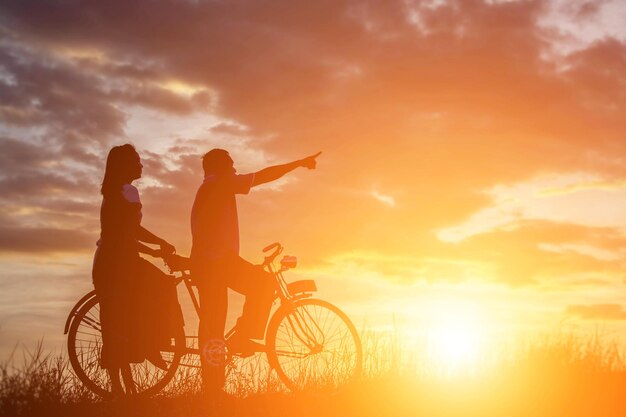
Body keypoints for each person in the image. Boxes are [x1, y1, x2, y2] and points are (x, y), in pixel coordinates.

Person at [190, 148, 321, 394]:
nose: (235, 170)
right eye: (231, 166)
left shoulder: (207, 188)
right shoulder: (219, 184)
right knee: (261, 285)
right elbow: (263, 176)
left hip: (211, 263)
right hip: (217, 264)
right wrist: (298, 162)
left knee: (213, 324)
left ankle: (213, 386)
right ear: (220, 168)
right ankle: (242, 338)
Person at [92, 144, 181, 394]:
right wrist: (160, 244)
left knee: (115, 323)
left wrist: (155, 249)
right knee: (164, 286)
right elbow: (131, 231)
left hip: (106, 263)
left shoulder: (111, 193)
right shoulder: (129, 191)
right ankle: (154, 342)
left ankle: (121, 388)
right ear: (126, 166)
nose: (141, 165)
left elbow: (123, 234)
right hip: (121, 263)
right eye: (137, 161)